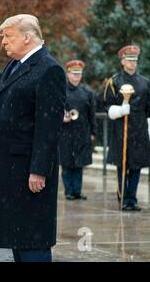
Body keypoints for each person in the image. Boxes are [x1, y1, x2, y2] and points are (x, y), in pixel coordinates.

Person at [0, 14, 66, 262]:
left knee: (32, 240)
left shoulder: (49, 69)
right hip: (10, 167)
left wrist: (39, 170)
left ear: (27, 37)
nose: (4, 41)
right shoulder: (16, 65)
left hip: (27, 168)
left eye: (8, 36)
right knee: (18, 237)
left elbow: (49, 128)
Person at [104, 45, 150, 211]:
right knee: (123, 166)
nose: (132, 63)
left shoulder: (146, 83)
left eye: (135, 60)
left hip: (139, 130)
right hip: (121, 130)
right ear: (122, 61)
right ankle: (123, 197)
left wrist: (149, 132)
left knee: (136, 167)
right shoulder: (115, 81)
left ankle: (132, 198)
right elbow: (108, 106)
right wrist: (120, 110)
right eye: (129, 60)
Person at [59, 60, 96, 201]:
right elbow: (54, 109)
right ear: (68, 73)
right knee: (67, 164)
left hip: (82, 132)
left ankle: (77, 191)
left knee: (79, 164)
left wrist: (93, 132)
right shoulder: (61, 90)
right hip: (66, 132)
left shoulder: (87, 92)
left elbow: (91, 114)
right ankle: (69, 191)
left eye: (79, 73)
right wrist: (61, 116)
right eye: (74, 73)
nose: (76, 76)